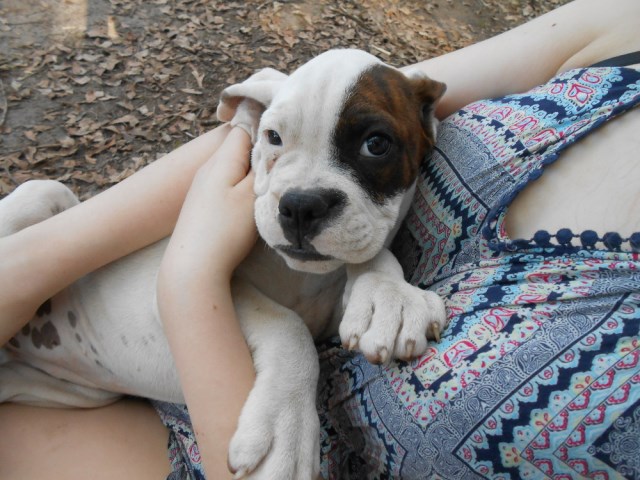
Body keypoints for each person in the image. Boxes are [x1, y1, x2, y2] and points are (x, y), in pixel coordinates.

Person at [0, 0, 638, 478]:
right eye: (276, 142)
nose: (302, 199)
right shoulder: (621, 23)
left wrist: (192, 275)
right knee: (40, 200)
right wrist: (21, 266)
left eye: (374, 146)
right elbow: (329, 94)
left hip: (114, 411)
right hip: (60, 315)